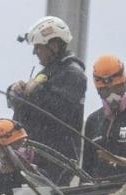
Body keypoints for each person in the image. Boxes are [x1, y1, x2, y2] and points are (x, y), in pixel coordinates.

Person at [8, 16, 86, 184]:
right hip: (37, 158)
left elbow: (60, 110)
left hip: (57, 161)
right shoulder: (49, 73)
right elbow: (31, 108)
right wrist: (16, 93)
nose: (35, 52)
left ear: (54, 45)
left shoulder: (73, 74)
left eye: (38, 47)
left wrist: (34, 92)